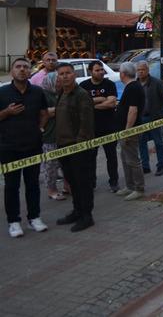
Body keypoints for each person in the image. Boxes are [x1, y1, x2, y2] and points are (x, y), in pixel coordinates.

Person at [0, 57, 49, 237]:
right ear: (12, 71)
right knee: (12, 186)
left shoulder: (37, 92)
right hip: (8, 147)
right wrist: (7, 112)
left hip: (32, 146)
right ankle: (14, 221)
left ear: (30, 71)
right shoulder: (2, 92)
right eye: (18, 67)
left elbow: (44, 113)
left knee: (33, 184)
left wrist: (41, 127)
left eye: (26, 67)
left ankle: (34, 218)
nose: (22, 70)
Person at [55, 62, 96, 232]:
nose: (65, 76)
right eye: (61, 74)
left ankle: (87, 216)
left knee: (83, 182)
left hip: (77, 148)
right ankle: (77, 211)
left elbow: (86, 123)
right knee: (72, 181)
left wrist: (80, 146)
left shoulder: (81, 95)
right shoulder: (61, 94)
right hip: (63, 146)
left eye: (68, 73)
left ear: (75, 75)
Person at [79, 60, 119, 192]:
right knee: (90, 158)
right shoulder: (84, 85)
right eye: (97, 70)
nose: (101, 72)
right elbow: (82, 105)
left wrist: (92, 106)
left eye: (102, 69)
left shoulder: (109, 84)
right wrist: (101, 99)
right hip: (91, 128)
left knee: (111, 157)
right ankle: (91, 182)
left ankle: (114, 181)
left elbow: (112, 103)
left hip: (109, 126)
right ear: (91, 72)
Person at [115, 62, 146, 201]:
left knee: (133, 160)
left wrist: (128, 131)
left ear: (123, 74)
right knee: (125, 158)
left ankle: (139, 188)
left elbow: (133, 111)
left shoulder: (133, 87)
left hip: (130, 130)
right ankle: (129, 185)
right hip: (124, 129)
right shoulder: (131, 87)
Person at [137, 61, 163, 176]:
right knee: (141, 143)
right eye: (138, 70)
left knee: (158, 143)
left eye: (143, 69)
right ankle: (145, 166)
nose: (140, 72)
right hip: (141, 118)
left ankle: (160, 166)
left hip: (154, 117)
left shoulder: (157, 83)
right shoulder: (135, 84)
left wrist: (159, 111)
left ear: (147, 70)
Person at [39, 72, 65, 201]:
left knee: (65, 164)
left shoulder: (60, 93)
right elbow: (41, 114)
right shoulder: (43, 95)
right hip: (49, 136)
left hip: (63, 135)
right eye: (58, 81)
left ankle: (67, 187)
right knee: (51, 166)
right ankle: (52, 190)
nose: (60, 83)